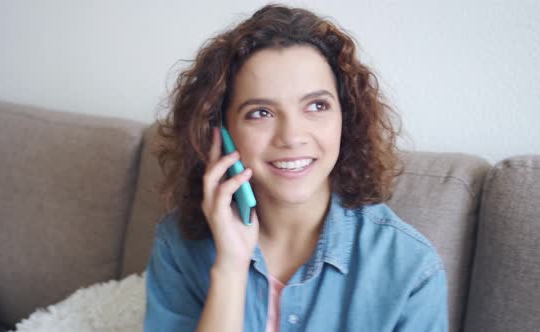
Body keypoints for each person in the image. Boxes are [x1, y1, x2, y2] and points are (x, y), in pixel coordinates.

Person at [144, 4, 448, 332]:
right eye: (261, 112)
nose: (292, 137)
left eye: (317, 106)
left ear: (345, 119)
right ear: (220, 132)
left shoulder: (411, 269)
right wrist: (230, 270)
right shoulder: (177, 245)